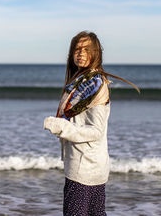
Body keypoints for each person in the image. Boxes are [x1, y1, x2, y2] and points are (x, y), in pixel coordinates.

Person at [44, 31, 139, 216]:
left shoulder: (96, 85)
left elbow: (95, 130)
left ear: (96, 53)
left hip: (84, 169)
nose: (81, 53)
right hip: (90, 165)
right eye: (77, 49)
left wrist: (61, 127)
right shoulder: (81, 80)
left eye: (87, 49)